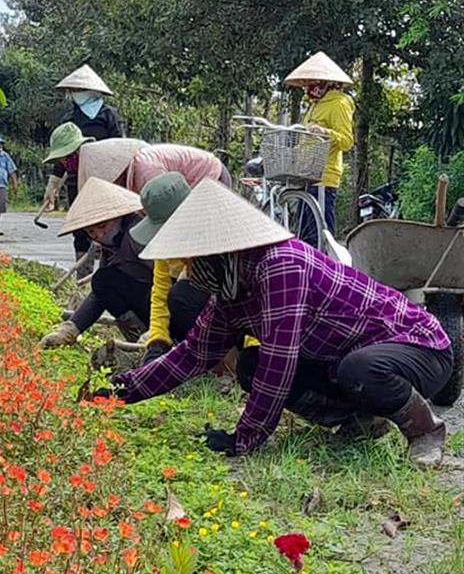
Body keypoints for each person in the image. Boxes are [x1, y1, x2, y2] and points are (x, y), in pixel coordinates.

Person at [106, 178, 451, 468]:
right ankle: (360, 420)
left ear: (215, 251)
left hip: (419, 349)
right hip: (345, 362)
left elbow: (280, 361)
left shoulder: (280, 264)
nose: (188, 270)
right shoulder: (232, 293)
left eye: (192, 259)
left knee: (356, 368)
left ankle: (425, 431)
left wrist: (245, 437)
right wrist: (116, 393)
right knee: (250, 366)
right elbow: (192, 355)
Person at [80, 141, 231, 363]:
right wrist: (157, 341)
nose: (98, 235)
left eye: (101, 227)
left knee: (182, 295)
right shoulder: (163, 245)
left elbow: (240, 301)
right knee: (173, 296)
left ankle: (219, 357)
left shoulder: (218, 237)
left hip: (244, 326)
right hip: (198, 318)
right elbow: (159, 294)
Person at [40, 178, 153, 348]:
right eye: (91, 232)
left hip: (166, 304)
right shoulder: (110, 244)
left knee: (106, 279)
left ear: (117, 217)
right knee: (102, 280)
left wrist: (159, 328)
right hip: (144, 304)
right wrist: (71, 329)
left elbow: (167, 282)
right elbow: (100, 292)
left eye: (102, 226)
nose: (99, 235)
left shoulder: (136, 234)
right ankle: (137, 334)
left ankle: (154, 336)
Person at [42, 65, 125, 266]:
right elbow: (62, 154)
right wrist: (52, 185)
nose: (75, 95)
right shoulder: (70, 119)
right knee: (81, 227)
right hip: (75, 180)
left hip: (105, 178)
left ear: (92, 91)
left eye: (79, 90)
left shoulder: (109, 115)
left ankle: (109, 270)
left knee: (109, 226)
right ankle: (83, 271)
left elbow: (119, 147)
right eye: (73, 91)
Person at [42, 126, 146, 273]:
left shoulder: (95, 161)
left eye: (64, 159)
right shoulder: (79, 165)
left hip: (138, 191)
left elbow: (106, 209)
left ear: (74, 151)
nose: (64, 164)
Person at [284, 51, 354, 243]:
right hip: (307, 173)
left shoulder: (339, 103)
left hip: (325, 176)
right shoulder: (315, 105)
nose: (308, 87)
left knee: (321, 235)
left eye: (312, 82)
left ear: (326, 82)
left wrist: (326, 132)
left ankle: (328, 269)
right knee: (304, 235)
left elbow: (347, 141)